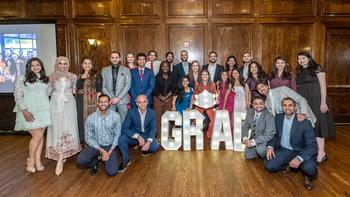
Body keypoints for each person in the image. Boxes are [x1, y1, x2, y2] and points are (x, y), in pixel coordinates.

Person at [265, 98, 317, 190]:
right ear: (282, 107)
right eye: (284, 105)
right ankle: (288, 164)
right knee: (270, 166)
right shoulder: (278, 118)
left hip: (301, 151)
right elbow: (274, 135)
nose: (287, 108)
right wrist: (270, 146)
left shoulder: (305, 122)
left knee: (310, 169)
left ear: (295, 108)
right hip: (285, 150)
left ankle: (307, 177)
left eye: (290, 105)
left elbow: (312, 146)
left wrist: (299, 158)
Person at [13, 57, 51, 173]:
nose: (35, 67)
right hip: (29, 111)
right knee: (37, 136)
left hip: (44, 110)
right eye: (33, 65)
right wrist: (24, 111)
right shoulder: (22, 79)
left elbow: (48, 93)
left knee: (40, 136)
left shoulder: (45, 79)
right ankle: (31, 160)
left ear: (41, 66)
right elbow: (17, 96)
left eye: (38, 65)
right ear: (29, 67)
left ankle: (38, 161)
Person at [296, 51, 335, 163]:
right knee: (309, 125)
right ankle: (314, 150)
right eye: (299, 59)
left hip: (317, 100)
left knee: (319, 125)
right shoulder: (300, 71)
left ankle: (321, 153)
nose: (301, 60)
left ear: (309, 58)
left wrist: (323, 102)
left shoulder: (316, 68)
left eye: (303, 58)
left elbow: (323, 85)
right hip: (305, 101)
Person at [46, 56, 81, 176]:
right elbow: (47, 92)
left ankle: (62, 155)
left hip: (69, 103)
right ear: (56, 64)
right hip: (55, 103)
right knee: (57, 127)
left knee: (68, 125)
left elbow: (75, 90)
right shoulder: (51, 77)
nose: (62, 65)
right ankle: (59, 154)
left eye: (65, 63)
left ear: (68, 64)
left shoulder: (73, 76)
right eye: (60, 63)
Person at [76, 94, 121, 176]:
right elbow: (87, 137)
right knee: (80, 160)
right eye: (100, 102)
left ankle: (103, 159)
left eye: (105, 102)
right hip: (95, 146)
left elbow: (117, 135)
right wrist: (101, 150)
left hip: (109, 146)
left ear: (109, 103)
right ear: (97, 103)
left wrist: (109, 151)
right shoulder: (91, 118)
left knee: (112, 172)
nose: (103, 104)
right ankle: (95, 161)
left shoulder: (116, 116)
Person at [118, 95, 159, 172]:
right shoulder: (131, 112)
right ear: (136, 103)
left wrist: (148, 142)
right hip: (135, 136)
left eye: (144, 101)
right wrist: (138, 137)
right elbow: (124, 128)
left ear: (147, 102)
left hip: (146, 135)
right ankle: (126, 160)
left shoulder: (152, 112)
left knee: (154, 147)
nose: (142, 104)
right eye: (139, 102)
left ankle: (143, 147)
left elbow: (153, 128)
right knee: (121, 139)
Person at [76, 57, 102, 144]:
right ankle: (82, 140)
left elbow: (99, 91)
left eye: (89, 63)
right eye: (85, 63)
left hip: (91, 103)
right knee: (80, 120)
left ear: (92, 65)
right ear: (82, 65)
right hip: (79, 101)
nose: (87, 65)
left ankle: (92, 142)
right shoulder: (79, 76)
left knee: (90, 121)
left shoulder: (96, 76)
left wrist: (98, 105)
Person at [101, 51, 131, 122]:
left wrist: (118, 98)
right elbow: (103, 86)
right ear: (110, 59)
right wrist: (111, 98)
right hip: (110, 100)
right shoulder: (104, 70)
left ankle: (123, 133)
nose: (114, 59)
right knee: (110, 120)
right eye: (112, 58)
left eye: (116, 57)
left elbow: (127, 85)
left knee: (124, 121)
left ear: (120, 58)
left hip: (122, 100)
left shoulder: (126, 70)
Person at [191, 70, 217, 139]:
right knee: (195, 120)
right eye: (203, 74)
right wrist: (195, 104)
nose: (204, 76)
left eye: (206, 74)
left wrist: (214, 105)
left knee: (213, 120)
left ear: (208, 76)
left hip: (209, 106)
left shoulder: (212, 84)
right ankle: (195, 132)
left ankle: (209, 133)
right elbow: (195, 95)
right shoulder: (197, 84)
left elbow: (214, 95)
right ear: (201, 76)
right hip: (200, 106)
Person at [153, 61, 176, 138]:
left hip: (169, 99)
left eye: (167, 66)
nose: (165, 68)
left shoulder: (172, 76)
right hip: (158, 99)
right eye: (163, 66)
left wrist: (166, 97)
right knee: (158, 118)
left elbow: (173, 88)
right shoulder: (157, 76)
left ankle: (167, 135)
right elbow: (155, 89)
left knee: (167, 118)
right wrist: (161, 97)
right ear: (161, 67)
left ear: (169, 68)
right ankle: (159, 136)